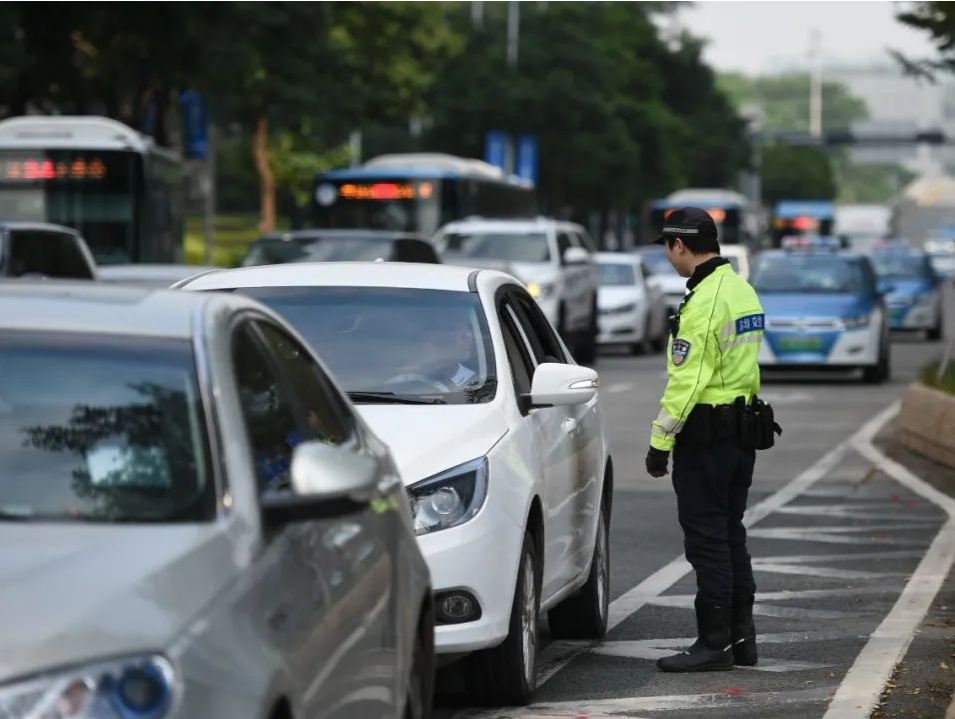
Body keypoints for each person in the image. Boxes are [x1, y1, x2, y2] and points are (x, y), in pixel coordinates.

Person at [644, 207, 770, 673]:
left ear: (680, 245)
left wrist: (660, 442)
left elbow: (688, 380)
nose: (668, 255)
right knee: (731, 534)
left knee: (708, 542)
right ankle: (741, 640)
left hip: (707, 439)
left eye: (668, 247)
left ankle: (714, 644)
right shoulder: (741, 289)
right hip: (740, 435)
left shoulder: (705, 302)